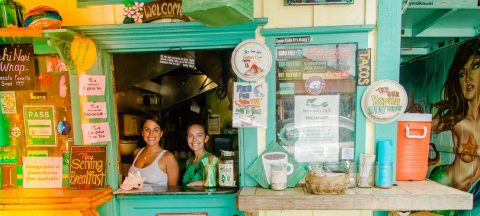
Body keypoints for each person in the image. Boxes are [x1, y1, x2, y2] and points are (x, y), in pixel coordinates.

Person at [430, 37, 480, 200]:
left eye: (475, 66)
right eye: (461, 73)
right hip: (446, 181)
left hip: (473, 190)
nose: (467, 77)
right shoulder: (458, 120)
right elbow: (425, 126)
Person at [128, 116, 179, 186]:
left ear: (161, 133)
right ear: (142, 132)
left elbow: (173, 191)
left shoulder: (168, 158)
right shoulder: (137, 152)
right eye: (147, 129)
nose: (151, 133)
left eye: (156, 130)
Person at [182, 121, 218, 186]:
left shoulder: (211, 158)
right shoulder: (189, 162)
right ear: (187, 138)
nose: (194, 140)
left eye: (199, 135)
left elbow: (230, 178)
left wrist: (203, 182)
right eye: (190, 136)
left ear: (206, 138)